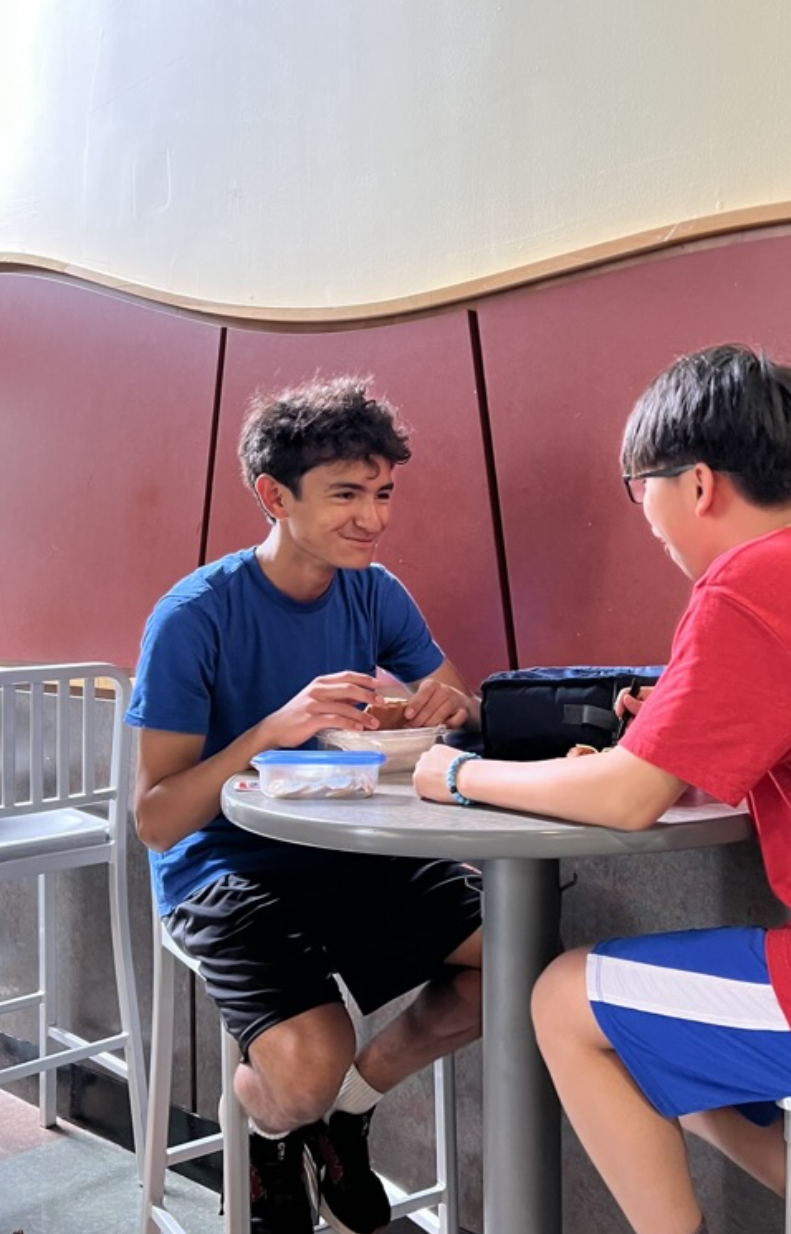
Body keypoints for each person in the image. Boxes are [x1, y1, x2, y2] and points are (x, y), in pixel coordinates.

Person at [414, 345, 791, 1234]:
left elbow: (630, 799)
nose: (650, 522)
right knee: (652, 1026)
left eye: (642, 491)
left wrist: (458, 773)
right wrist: (644, 749)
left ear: (697, 484)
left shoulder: (748, 586)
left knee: (563, 998)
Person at [128, 376, 483, 1234]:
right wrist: (270, 731)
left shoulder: (374, 590)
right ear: (274, 496)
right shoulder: (194, 617)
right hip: (221, 869)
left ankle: (347, 1111)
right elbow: (157, 818)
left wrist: (449, 704)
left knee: (517, 959)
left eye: (384, 493)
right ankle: (270, 1120)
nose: (374, 517)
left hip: (353, 848)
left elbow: (448, 689)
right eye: (347, 495)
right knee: (301, 1069)